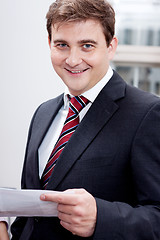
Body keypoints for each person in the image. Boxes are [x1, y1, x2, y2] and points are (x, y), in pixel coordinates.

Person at [11, 0, 160, 239]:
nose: (72, 60)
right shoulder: (43, 113)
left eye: (87, 45)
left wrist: (101, 217)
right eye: (62, 45)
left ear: (111, 47)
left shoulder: (148, 113)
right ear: (49, 44)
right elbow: (31, 213)